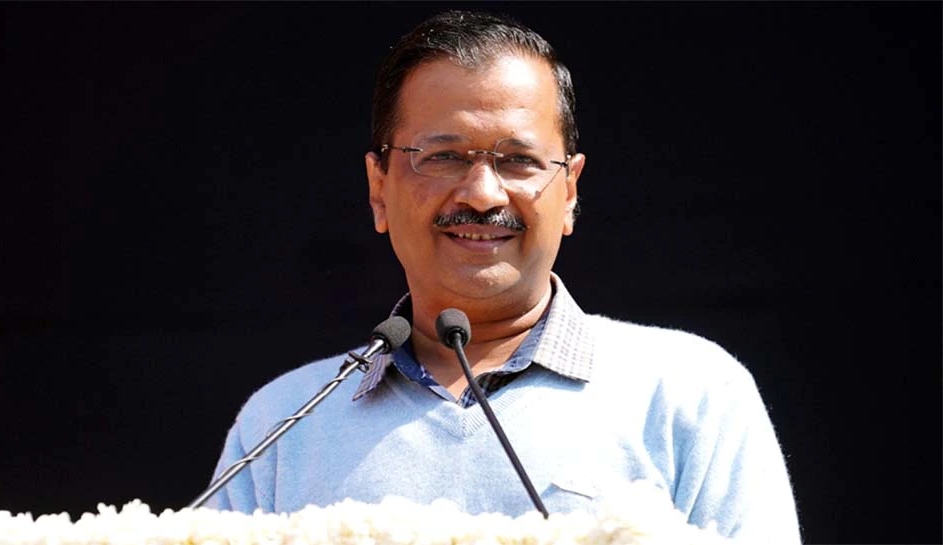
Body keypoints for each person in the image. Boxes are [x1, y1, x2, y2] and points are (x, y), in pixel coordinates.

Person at [205, 9, 801, 543]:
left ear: (570, 192)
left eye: (518, 160)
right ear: (378, 189)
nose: (484, 194)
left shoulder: (688, 394)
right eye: (443, 156)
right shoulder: (285, 424)